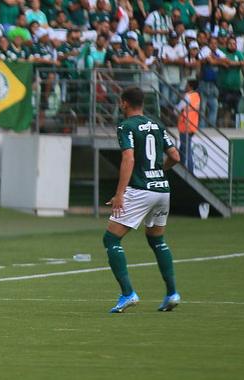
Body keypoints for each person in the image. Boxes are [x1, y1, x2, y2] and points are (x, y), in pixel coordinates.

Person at [104, 86, 181, 314]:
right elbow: (175, 156)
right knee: (157, 241)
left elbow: (128, 158)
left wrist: (120, 194)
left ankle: (128, 293)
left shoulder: (125, 126)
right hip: (162, 188)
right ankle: (172, 294)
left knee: (111, 240)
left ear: (125, 103)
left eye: (121, 102)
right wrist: (158, 172)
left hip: (140, 190)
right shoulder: (157, 125)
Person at [176, 79, 200, 173]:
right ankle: (180, 167)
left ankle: (190, 172)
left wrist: (175, 110)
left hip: (184, 125)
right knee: (183, 147)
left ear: (190, 86)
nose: (185, 86)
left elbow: (178, 108)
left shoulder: (187, 96)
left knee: (186, 150)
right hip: (193, 125)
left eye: (187, 84)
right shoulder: (197, 96)